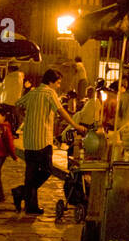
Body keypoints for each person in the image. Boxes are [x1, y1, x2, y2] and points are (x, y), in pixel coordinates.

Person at [11, 69, 80, 216]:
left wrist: (24, 119)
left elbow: (17, 105)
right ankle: (22, 192)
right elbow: (60, 111)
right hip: (43, 140)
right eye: (58, 82)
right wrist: (76, 126)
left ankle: (30, 206)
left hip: (29, 140)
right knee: (47, 170)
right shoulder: (49, 93)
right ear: (51, 81)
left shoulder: (33, 92)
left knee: (31, 173)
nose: (59, 86)